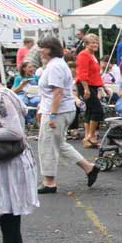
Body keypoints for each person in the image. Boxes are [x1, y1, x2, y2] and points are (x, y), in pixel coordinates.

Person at [36, 37, 99, 194]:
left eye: (42, 47)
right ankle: (89, 168)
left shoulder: (55, 66)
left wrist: (52, 115)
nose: (40, 50)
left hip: (58, 111)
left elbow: (58, 92)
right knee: (59, 143)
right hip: (60, 110)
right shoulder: (55, 64)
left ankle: (49, 182)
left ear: (50, 49)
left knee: (48, 145)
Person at [0, 82, 39, 243]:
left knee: (10, 221)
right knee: (7, 219)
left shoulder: (1, 97)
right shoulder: (2, 94)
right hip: (7, 164)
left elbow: (14, 131)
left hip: (12, 166)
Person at [75, 33, 105, 148]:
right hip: (85, 85)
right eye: (93, 42)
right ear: (86, 44)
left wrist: (104, 87)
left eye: (96, 42)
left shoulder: (93, 56)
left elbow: (96, 74)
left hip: (93, 85)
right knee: (98, 110)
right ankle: (91, 136)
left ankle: (87, 137)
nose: (95, 44)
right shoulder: (84, 55)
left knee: (90, 111)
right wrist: (86, 89)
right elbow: (82, 73)